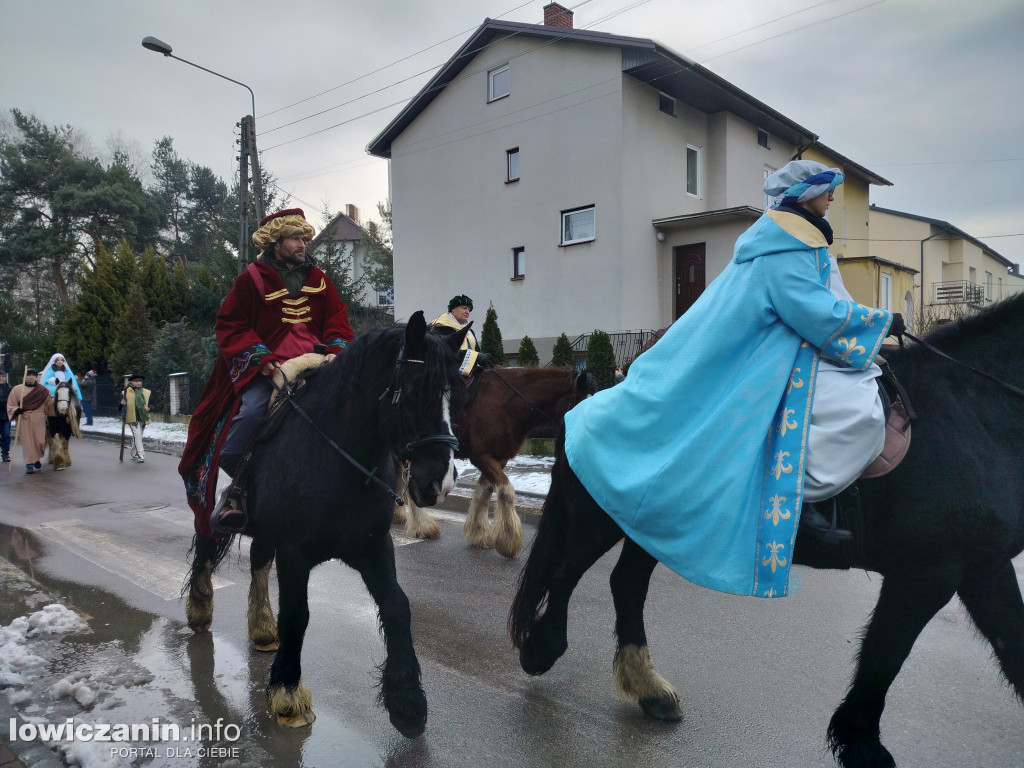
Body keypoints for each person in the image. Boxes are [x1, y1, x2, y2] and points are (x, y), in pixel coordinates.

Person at [563, 159, 904, 599]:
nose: (834, 196)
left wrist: (868, 326)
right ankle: (802, 506)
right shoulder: (787, 245)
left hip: (794, 347)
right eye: (828, 189)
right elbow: (816, 313)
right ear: (804, 196)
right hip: (773, 356)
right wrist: (882, 321)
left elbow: (824, 306)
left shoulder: (796, 238)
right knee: (854, 413)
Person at [179, 208, 354, 535]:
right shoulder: (251, 279)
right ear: (276, 242)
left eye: (303, 237)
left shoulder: (320, 280)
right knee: (253, 412)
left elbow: (338, 324)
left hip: (315, 365)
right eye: (295, 238)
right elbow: (231, 325)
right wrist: (260, 359)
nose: (302, 244)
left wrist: (335, 352)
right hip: (268, 368)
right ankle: (238, 491)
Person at [6, 368, 53, 474]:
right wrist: (16, 410)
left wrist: (57, 404)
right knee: (28, 442)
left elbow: (49, 405)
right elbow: (11, 404)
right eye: (29, 375)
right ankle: (29, 464)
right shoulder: (17, 389)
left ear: (37, 377)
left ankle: (37, 458)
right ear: (24, 376)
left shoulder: (43, 390)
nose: (31, 377)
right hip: (24, 418)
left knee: (40, 441)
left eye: (33, 375)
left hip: (39, 417)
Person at [431, 295, 491, 374]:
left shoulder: (470, 331)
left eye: (469, 309)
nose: (467, 312)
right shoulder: (441, 327)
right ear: (453, 309)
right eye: (464, 308)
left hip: (471, 373)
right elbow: (445, 350)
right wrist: (475, 356)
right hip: (448, 373)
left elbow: (477, 351)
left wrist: (484, 358)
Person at [120, 374, 151, 463]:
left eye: (139, 381)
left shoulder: (146, 392)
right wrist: (122, 403)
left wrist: (150, 408)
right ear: (131, 382)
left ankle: (133, 452)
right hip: (132, 417)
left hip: (143, 417)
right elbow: (119, 406)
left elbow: (152, 404)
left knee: (138, 436)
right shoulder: (125, 392)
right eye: (135, 381)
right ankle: (141, 455)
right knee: (137, 434)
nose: (138, 383)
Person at [0, 371, 11, 462]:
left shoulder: (10, 388)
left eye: (3, 377)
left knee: (6, 435)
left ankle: (5, 454)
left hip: (7, 416)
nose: (1, 378)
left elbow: (12, 401)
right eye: (0, 377)